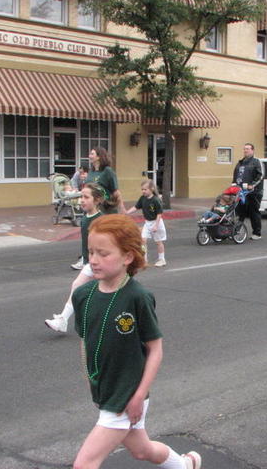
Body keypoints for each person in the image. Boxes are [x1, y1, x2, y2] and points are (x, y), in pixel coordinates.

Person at [71, 214, 201, 469]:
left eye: (103, 254)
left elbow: (155, 349)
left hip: (127, 394)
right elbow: (85, 341)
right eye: (91, 252)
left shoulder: (138, 297)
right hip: (104, 389)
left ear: (127, 257)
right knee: (142, 451)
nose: (94, 260)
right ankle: (185, 465)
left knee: (84, 464)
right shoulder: (83, 296)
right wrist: (91, 383)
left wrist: (138, 396)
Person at [46, 184, 105, 332]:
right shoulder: (86, 217)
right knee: (80, 288)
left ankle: (65, 320)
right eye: (81, 197)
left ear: (97, 200)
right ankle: (64, 320)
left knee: (86, 290)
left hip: (99, 263)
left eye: (86, 197)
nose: (82, 201)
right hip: (89, 261)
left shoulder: (100, 220)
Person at [126, 180, 167, 267]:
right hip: (147, 223)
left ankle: (162, 259)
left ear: (151, 189)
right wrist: (127, 212)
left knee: (158, 242)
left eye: (145, 189)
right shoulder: (142, 198)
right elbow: (136, 207)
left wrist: (156, 226)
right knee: (143, 240)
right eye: (142, 189)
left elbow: (159, 214)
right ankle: (144, 260)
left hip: (157, 223)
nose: (143, 191)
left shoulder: (156, 200)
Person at [232, 143, 263, 240]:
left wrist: (252, 185)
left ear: (253, 150)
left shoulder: (257, 162)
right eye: (244, 149)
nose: (246, 151)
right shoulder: (240, 163)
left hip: (254, 192)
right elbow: (236, 176)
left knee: (253, 212)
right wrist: (233, 185)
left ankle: (257, 233)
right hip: (241, 192)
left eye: (248, 149)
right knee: (239, 212)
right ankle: (236, 231)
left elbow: (261, 176)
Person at [86, 148, 125, 214]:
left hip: (105, 208)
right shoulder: (91, 171)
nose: (89, 156)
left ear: (98, 157)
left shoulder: (107, 171)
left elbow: (116, 192)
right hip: (92, 207)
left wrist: (122, 209)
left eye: (92, 154)